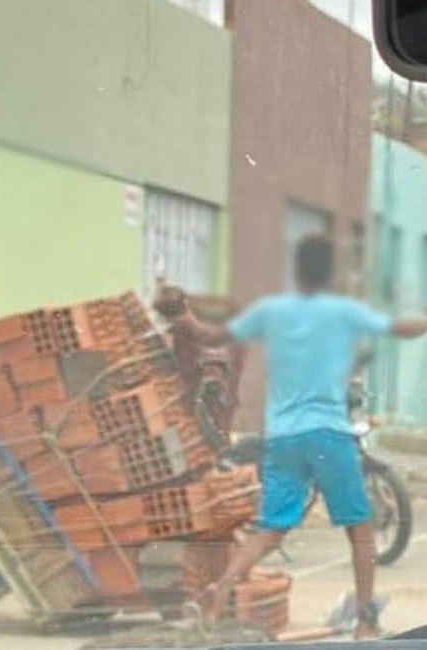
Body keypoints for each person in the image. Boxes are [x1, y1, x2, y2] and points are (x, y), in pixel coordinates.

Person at [154, 234, 427, 640]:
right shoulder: (341, 311)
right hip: (327, 433)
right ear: (329, 272)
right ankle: (366, 621)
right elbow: (402, 328)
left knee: (271, 530)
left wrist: (181, 314)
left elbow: (209, 336)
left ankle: (221, 587)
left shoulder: (272, 311)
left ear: (296, 270)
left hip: (282, 436)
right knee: (361, 529)